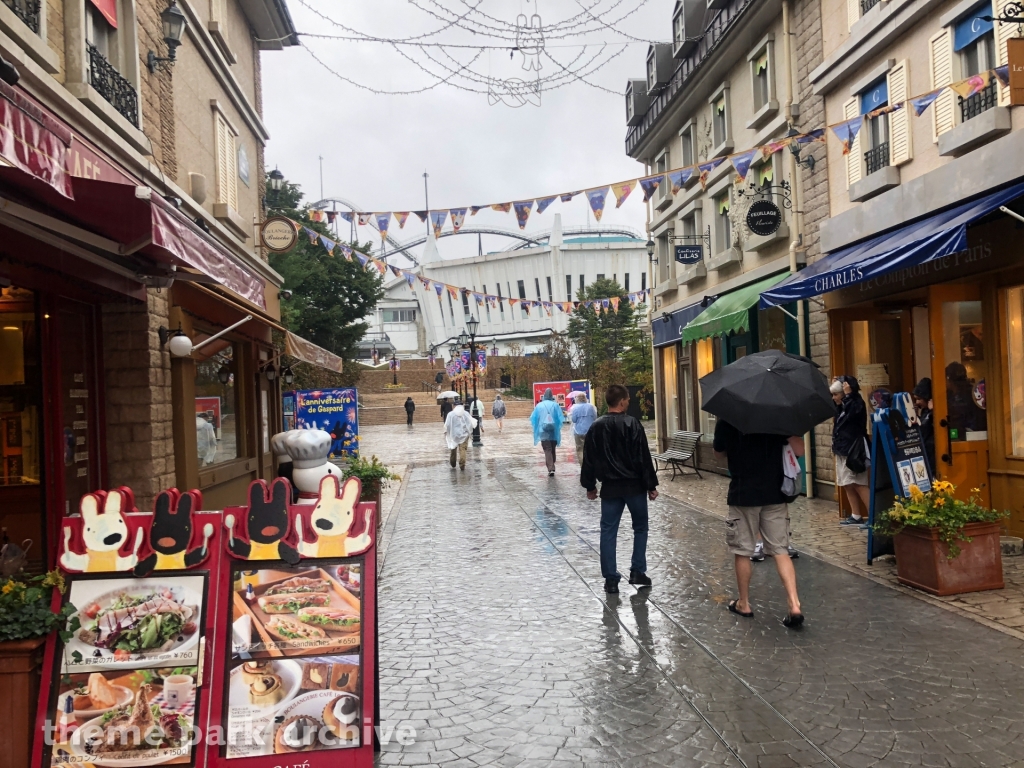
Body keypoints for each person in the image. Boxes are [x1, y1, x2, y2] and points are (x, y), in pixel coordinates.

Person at [713, 419, 804, 627]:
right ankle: (794, 604)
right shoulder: (775, 416)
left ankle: (744, 603)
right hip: (775, 493)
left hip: (743, 495)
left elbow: (718, 454)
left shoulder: (729, 418)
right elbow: (799, 449)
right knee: (780, 550)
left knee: (743, 550)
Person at [580, 384, 659, 594]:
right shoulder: (632, 424)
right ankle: (637, 570)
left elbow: (589, 458)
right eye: (628, 400)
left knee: (608, 531)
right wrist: (651, 485)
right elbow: (643, 457)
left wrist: (590, 485)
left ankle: (611, 579)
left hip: (610, 488)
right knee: (640, 527)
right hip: (634, 486)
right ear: (622, 401)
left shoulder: (596, 427)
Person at [832, 375, 870, 526]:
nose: (834, 398)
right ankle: (856, 514)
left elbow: (853, 414)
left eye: (836, 394)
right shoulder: (841, 405)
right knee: (847, 483)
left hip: (853, 449)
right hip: (842, 448)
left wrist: (848, 396)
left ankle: (873, 516)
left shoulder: (856, 402)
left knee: (858, 483)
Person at [530, 388, 564, 476]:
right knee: (553, 448)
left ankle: (551, 467)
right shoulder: (555, 405)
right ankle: (552, 464)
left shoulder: (539, 406)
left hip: (543, 430)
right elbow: (560, 418)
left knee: (547, 449)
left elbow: (533, 418)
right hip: (553, 431)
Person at [443, 401, 476, 470]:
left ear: (454, 406)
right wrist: (468, 431)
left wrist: (446, 432)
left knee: (453, 449)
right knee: (463, 449)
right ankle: (462, 464)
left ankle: (453, 462)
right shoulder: (465, 413)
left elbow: (447, 425)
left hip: (453, 435)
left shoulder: (450, 414)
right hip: (464, 435)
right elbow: (471, 423)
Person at [913, 378, 935, 472]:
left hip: (932, 453)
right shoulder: (925, 411)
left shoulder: (932, 412)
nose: (917, 402)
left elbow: (925, 429)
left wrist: (932, 411)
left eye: (919, 399)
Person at [569, 392, 598, 465]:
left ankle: (583, 466)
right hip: (590, 431)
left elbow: (574, 420)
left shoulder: (575, 408)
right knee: (590, 449)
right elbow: (595, 418)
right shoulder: (591, 407)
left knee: (580, 449)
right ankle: (591, 465)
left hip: (578, 431)